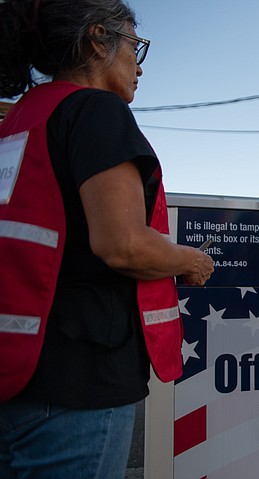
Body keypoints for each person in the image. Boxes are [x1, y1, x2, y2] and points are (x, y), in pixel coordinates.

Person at [0, 0, 214, 477]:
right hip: (80, 381)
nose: (138, 67)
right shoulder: (96, 111)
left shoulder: (18, 121)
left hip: (17, 370)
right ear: (98, 40)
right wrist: (188, 259)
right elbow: (124, 244)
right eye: (134, 47)